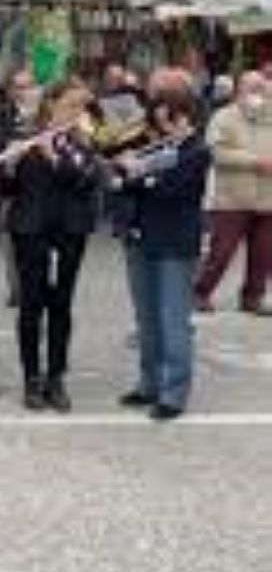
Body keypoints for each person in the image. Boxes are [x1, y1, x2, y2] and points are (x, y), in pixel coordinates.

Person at [0, 79, 99, 413]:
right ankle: (31, 378)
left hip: (70, 231)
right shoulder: (26, 138)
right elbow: (5, 189)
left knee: (61, 305)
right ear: (51, 104)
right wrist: (9, 168)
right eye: (70, 105)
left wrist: (54, 156)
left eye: (80, 106)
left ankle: (56, 377)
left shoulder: (82, 142)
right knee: (31, 305)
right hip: (30, 231)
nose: (76, 112)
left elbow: (85, 181)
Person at [115, 75, 211, 422]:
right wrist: (130, 170)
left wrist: (138, 173)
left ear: (187, 115)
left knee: (173, 320)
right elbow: (124, 186)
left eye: (172, 115)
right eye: (161, 116)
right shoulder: (157, 148)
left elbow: (168, 189)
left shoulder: (196, 151)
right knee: (147, 319)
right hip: (140, 238)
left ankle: (174, 392)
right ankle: (149, 383)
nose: (167, 123)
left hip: (175, 243)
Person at [194, 71, 272, 315]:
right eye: (252, 88)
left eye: (262, 88)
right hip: (233, 199)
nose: (258, 93)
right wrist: (255, 162)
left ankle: (253, 298)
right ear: (238, 90)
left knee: (263, 255)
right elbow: (216, 152)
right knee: (221, 252)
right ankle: (200, 292)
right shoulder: (223, 117)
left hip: (267, 198)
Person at [0, 67, 40, 310]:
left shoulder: (44, 115)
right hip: (12, 188)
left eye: (28, 86)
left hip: (40, 189)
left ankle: (34, 287)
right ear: (10, 91)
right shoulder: (0, 116)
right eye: (19, 87)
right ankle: (17, 289)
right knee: (11, 242)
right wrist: (12, 146)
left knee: (38, 243)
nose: (24, 92)